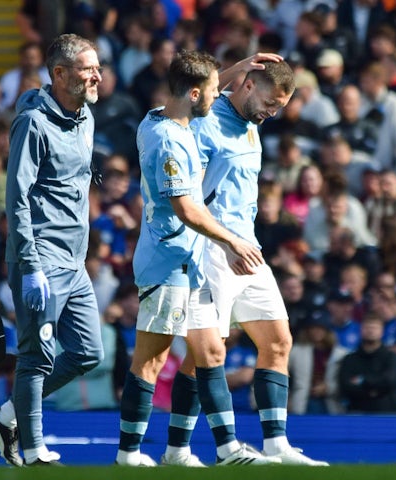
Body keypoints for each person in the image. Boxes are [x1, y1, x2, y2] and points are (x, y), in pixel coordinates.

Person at [115, 50, 275, 468]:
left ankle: (191, 451)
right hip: (167, 259)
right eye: (211, 90)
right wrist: (233, 241)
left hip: (188, 261)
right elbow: (187, 208)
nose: (218, 95)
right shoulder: (169, 141)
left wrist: (238, 69)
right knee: (152, 358)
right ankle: (129, 454)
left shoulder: (160, 118)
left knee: (208, 352)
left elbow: (202, 88)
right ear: (193, 93)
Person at [167, 58, 328, 466]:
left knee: (278, 341)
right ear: (248, 84)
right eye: (270, 103)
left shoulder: (254, 125)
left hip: (248, 248)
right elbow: (190, 193)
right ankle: (192, 450)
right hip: (212, 250)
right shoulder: (205, 121)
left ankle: (276, 444)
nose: (271, 113)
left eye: (279, 108)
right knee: (207, 352)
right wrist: (224, 244)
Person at [0, 34, 106, 467]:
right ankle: (32, 448)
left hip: (75, 261)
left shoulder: (86, 116)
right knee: (37, 354)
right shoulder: (32, 123)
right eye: (88, 68)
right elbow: (16, 199)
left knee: (89, 351)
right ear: (59, 74)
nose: (97, 75)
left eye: (97, 67)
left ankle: (8, 415)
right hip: (41, 260)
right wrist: (31, 266)